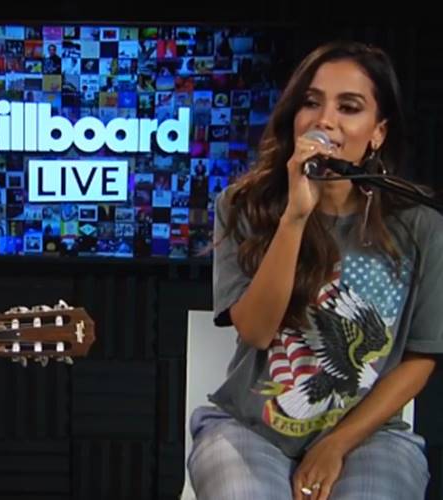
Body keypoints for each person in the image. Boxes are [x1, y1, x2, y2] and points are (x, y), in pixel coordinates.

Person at [187, 41, 442, 500]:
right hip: (249, 429)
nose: (325, 120)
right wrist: (296, 216)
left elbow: (420, 358)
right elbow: (257, 331)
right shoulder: (242, 206)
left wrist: (336, 445)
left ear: (378, 132)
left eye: (349, 107)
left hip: (369, 435)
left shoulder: (420, 226)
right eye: (311, 102)